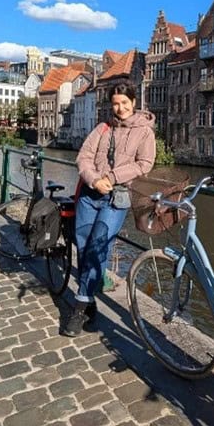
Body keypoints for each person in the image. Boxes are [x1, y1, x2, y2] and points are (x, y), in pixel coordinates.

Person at [61, 80, 156, 337]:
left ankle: (79, 307)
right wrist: (93, 179)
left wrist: (111, 178)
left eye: (125, 103)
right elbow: (84, 156)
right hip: (90, 196)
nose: (120, 108)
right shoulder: (102, 128)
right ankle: (91, 302)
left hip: (117, 198)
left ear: (134, 102)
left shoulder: (145, 132)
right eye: (116, 103)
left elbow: (144, 164)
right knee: (83, 246)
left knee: (97, 246)